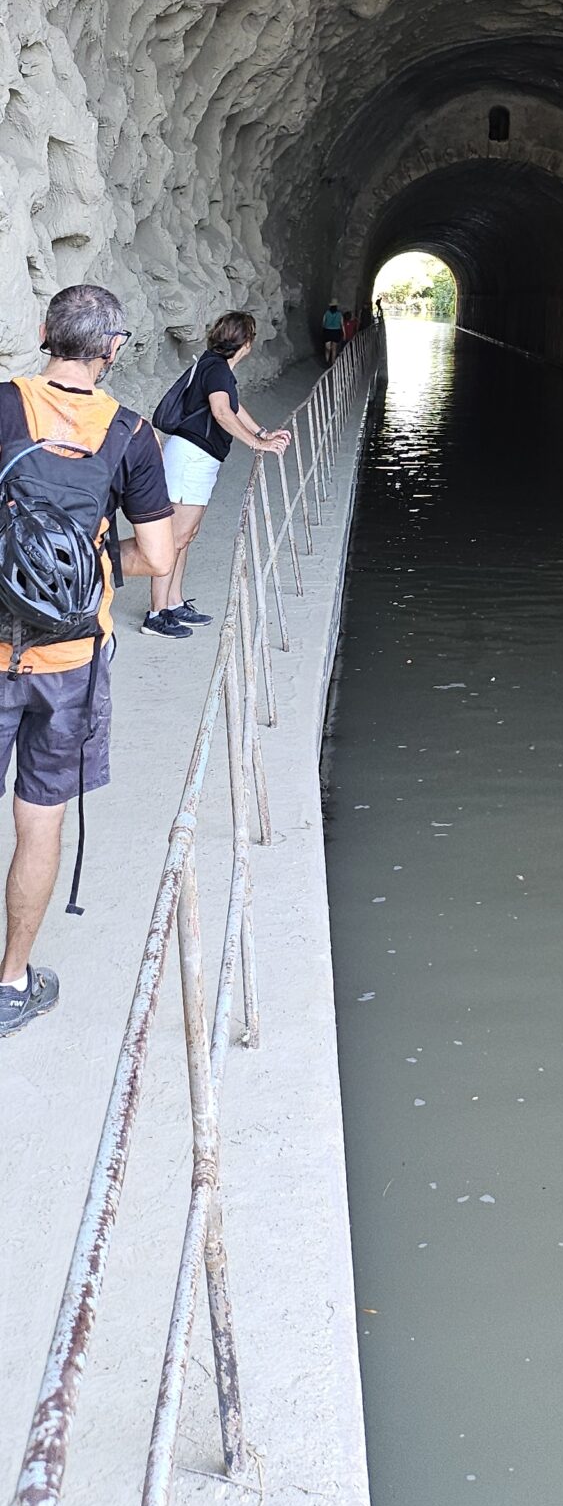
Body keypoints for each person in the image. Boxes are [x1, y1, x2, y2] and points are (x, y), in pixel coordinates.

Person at [0, 284, 175, 1039]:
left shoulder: (3, 406)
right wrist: (95, 566)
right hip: (72, 660)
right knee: (40, 821)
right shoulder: (131, 433)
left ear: (44, 331)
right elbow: (158, 556)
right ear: (114, 350)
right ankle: (11, 983)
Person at [142, 311, 291, 640]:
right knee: (175, 538)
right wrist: (257, 444)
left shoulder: (216, 367)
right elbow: (222, 412)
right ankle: (156, 614)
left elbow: (232, 407)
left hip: (199, 458)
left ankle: (173, 602)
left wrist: (262, 433)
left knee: (186, 536)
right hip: (190, 459)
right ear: (246, 342)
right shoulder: (217, 369)